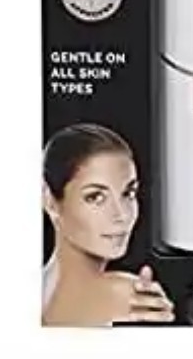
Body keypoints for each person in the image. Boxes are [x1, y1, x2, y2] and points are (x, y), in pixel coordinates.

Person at [42, 123, 174, 325]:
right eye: (96, 197)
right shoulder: (116, 293)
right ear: (50, 200)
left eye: (128, 193)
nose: (121, 215)